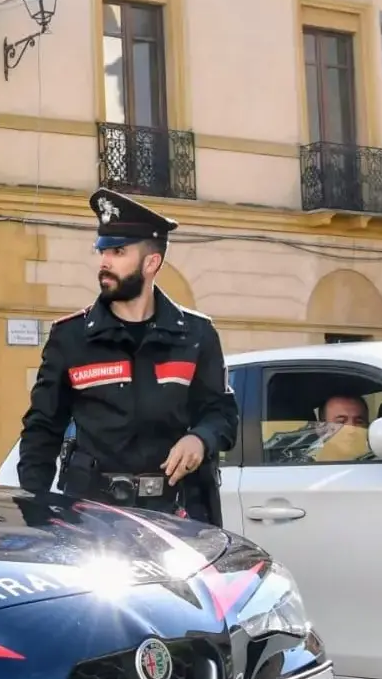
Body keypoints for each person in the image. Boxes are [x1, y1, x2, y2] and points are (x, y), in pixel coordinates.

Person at [16, 187, 236, 524]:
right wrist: (36, 510)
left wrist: (200, 438)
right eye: (102, 251)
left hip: (177, 516)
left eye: (118, 251)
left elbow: (221, 413)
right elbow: (42, 429)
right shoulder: (72, 337)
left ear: (151, 262)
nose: (105, 262)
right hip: (91, 517)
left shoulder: (196, 334)